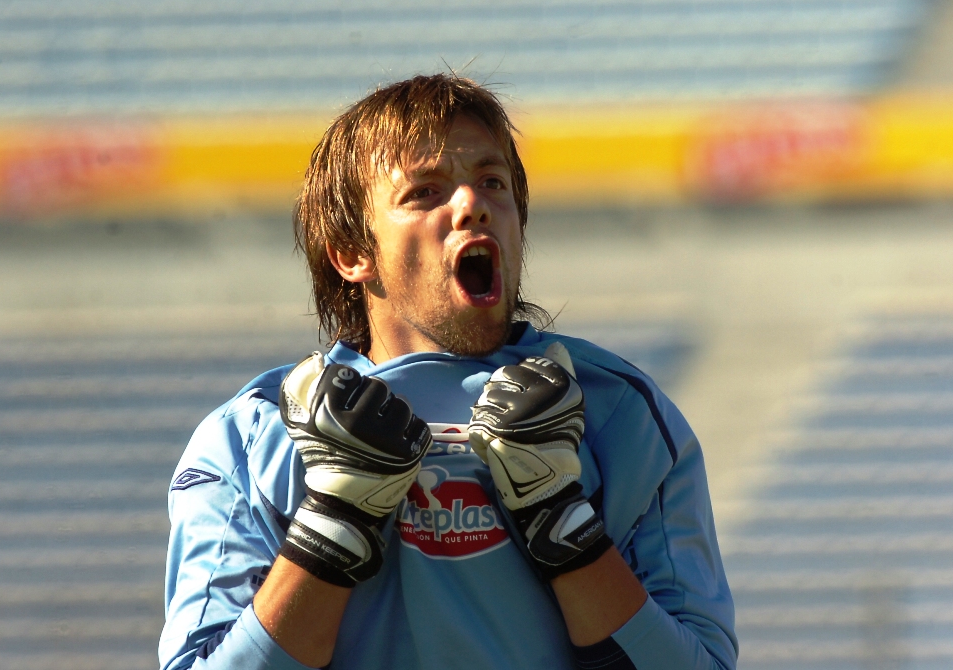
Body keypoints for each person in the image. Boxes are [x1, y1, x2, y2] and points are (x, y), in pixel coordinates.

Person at [159, 74, 737, 670]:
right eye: (425, 192)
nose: (472, 204)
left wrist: (562, 524)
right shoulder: (249, 440)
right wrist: (332, 528)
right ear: (351, 253)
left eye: (492, 182)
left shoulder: (619, 415)